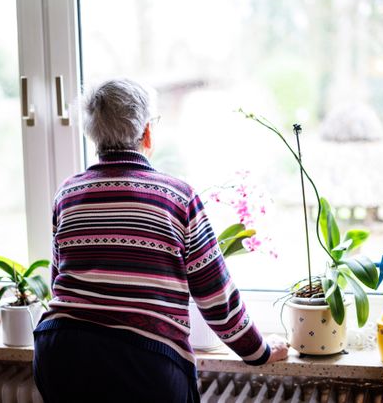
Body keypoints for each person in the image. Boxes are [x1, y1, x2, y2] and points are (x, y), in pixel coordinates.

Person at [33, 79, 288, 403]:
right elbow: (215, 297)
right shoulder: (177, 197)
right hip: (141, 363)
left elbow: (59, 282)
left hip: (60, 352)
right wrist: (260, 351)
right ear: (147, 133)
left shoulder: (67, 194)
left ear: (92, 134)